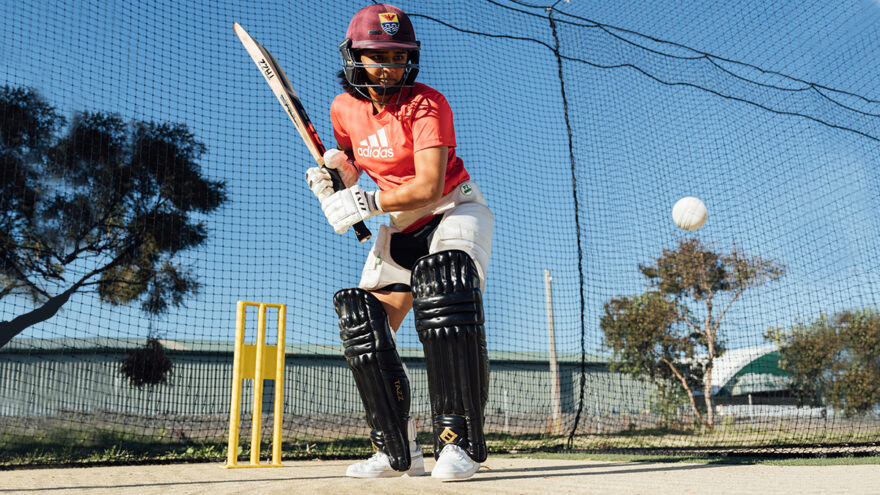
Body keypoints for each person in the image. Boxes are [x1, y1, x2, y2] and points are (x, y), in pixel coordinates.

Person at [305, 3, 493, 481]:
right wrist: (334, 178)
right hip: (400, 226)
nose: (389, 65)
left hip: (452, 209)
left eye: (397, 54)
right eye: (377, 55)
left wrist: (365, 202)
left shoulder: (428, 104)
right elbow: (350, 165)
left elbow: (429, 185)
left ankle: (460, 443)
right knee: (362, 321)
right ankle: (396, 449)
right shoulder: (343, 109)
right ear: (354, 55)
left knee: (444, 291)